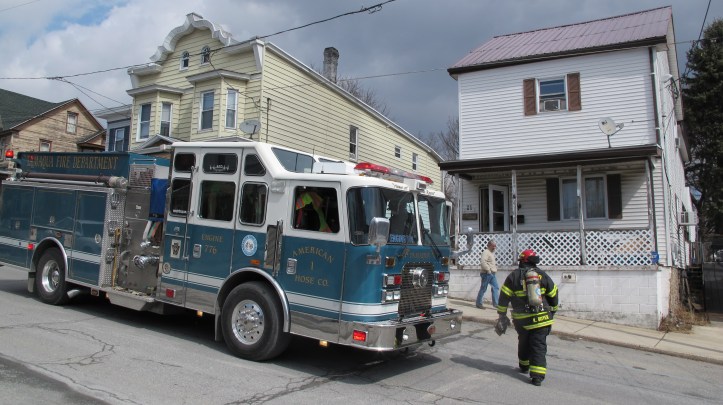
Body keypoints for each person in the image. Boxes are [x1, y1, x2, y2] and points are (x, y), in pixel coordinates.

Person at [496, 249, 559, 386]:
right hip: (542, 319)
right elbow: (553, 293)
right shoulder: (542, 275)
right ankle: (537, 376)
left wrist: (502, 314)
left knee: (524, 342)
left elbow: (504, 296)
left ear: (522, 261)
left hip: (522, 321)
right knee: (539, 346)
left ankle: (524, 366)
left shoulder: (513, 276)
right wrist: (553, 310)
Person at [475, 239, 499, 309]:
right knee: (483, 288)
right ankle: (479, 303)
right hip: (486, 273)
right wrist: (488, 270)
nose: (494, 247)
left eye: (495, 246)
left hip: (492, 274)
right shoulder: (486, 252)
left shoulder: (491, 253)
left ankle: (496, 304)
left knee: (496, 287)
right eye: (493, 246)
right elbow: (483, 262)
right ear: (489, 245)